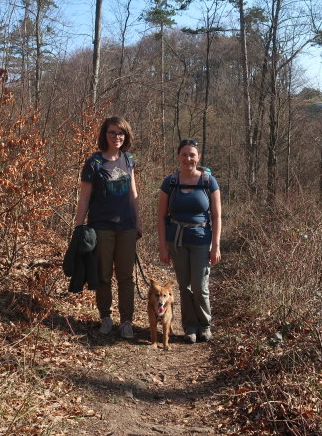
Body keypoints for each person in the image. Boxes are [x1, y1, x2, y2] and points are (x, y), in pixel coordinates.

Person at [74, 116, 142, 339]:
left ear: (126, 135)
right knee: (103, 275)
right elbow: (84, 197)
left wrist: (138, 222)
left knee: (126, 276)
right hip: (100, 227)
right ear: (105, 134)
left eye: (121, 133)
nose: (117, 137)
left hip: (126, 227)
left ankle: (126, 322)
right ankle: (105, 317)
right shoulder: (94, 163)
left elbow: (133, 194)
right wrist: (78, 227)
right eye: (112, 132)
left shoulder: (129, 160)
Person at [157, 139, 221, 343]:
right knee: (184, 287)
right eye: (184, 155)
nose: (188, 159)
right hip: (177, 241)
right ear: (178, 157)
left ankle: (204, 324)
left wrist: (216, 246)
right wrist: (163, 247)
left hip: (202, 240)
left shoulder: (208, 181)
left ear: (198, 157)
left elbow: (217, 216)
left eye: (192, 155)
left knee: (199, 286)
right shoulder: (170, 182)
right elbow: (160, 217)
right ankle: (190, 327)